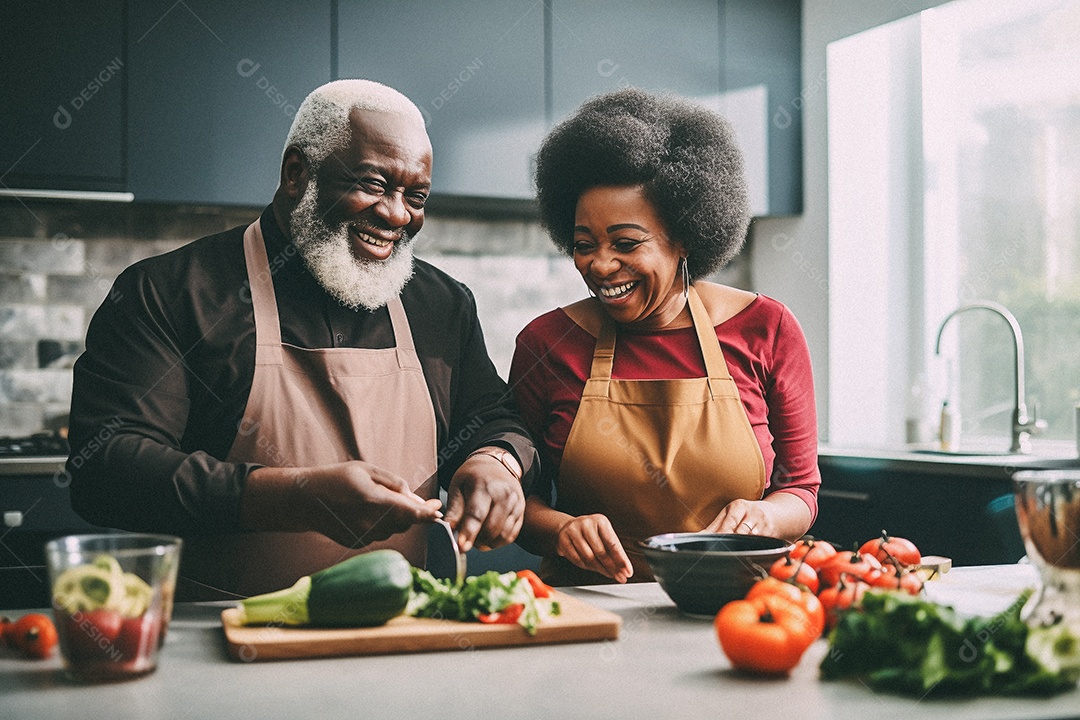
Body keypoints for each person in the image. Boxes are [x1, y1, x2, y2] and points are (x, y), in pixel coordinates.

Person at [67, 79, 537, 599]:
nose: (397, 214)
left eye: (416, 195)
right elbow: (106, 466)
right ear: (298, 174)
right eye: (374, 184)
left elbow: (493, 417)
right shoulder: (170, 292)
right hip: (219, 640)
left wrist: (495, 461)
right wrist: (293, 496)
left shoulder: (441, 304)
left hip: (403, 641)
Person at [510, 88, 820, 586]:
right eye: (584, 245)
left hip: (737, 608)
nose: (601, 265)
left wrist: (766, 517)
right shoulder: (547, 343)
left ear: (685, 238)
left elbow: (801, 489)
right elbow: (515, 501)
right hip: (594, 610)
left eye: (627, 243)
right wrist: (563, 529)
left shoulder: (767, 328)